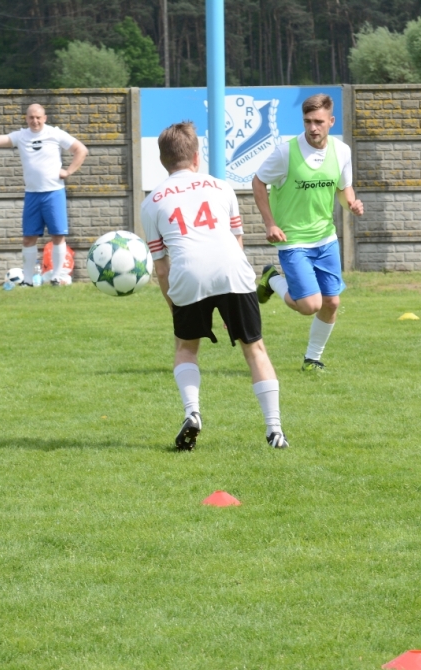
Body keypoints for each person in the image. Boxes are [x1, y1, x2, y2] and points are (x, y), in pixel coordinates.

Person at [141, 121, 288, 451]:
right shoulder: (222, 187)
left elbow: (161, 268)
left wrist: (174, 306)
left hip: (187, 274)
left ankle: (192, 413)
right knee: (255, 349)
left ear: (163, 160)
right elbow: (237, 242)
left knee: (186, 348)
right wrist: (231, 299)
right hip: (232, 270)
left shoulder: (151, 202)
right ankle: (275, 431)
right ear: (197, 156)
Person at [251, 94, 364, 372]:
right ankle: (271, 279)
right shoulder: (286, 152)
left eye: (318, 122)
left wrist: (351, 203)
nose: (313, 127)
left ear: (331, 121)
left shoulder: (342, 151)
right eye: (307, 121)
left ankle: (312, 359)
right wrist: (270, 223)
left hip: (325, 238)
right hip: (293, 240)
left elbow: (343, 188)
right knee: (309, 305)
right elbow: (258, 181)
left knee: (332, 302)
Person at [0, 103, 89, 285]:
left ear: (44, 118)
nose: (35, 121)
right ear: (26, 118)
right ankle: (28, 281)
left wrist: (68, 171)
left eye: (38, 117)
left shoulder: (55, 134)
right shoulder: (21, 136)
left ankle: (57, 276)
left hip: (54, 193)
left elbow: (81, 150)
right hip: (32, 195)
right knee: (28, 238)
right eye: (31, 117)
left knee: (57, 236)